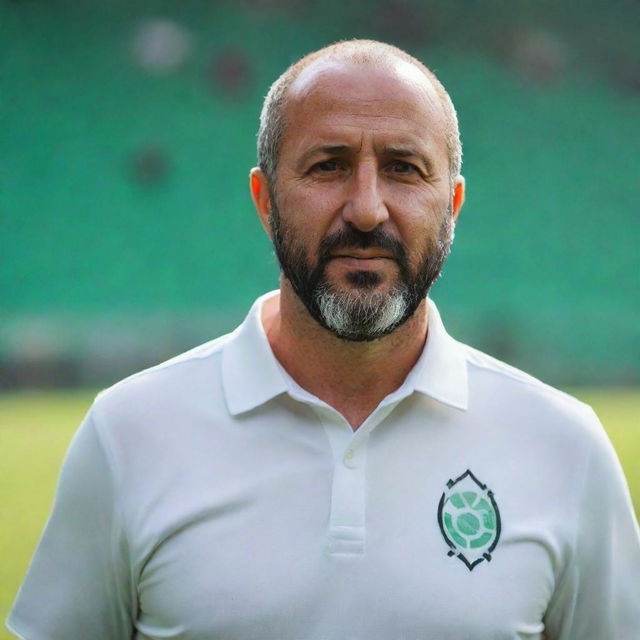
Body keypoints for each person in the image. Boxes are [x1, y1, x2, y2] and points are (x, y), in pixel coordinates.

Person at [7, 39, 639, 640]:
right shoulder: (127, 435)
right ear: (265, 201)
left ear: (453, 205)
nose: (367, 209)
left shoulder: (565, 446)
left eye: (403, 168)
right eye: (328, 166)